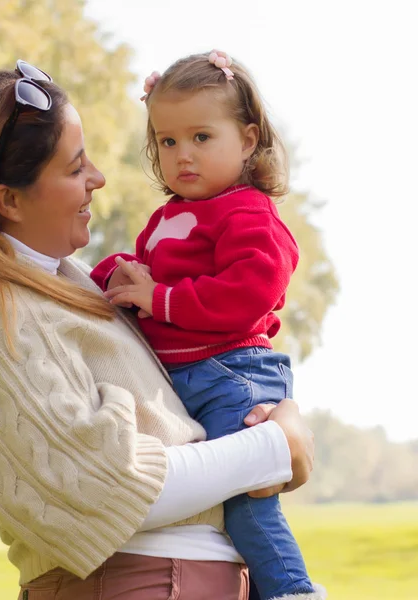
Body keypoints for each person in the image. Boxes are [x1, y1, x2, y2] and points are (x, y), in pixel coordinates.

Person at [0, 59, 315, 600]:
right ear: (8, 200)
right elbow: (108, 488)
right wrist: (275, 445)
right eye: (75, 167)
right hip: (141, 582)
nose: (99, 179)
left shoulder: (65, 283)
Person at [91, 51, 324, 600]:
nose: (182, 156)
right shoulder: (169, 214)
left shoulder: (247, 211)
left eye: (201, 137)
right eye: (167, 142)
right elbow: (144, 270)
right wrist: (113, 275)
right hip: (185, 377)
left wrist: (160, 299)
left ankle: (292, 591)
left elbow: (251, 291)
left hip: (233, 372)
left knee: (245, 496)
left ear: (246, 141)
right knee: (208, 498)